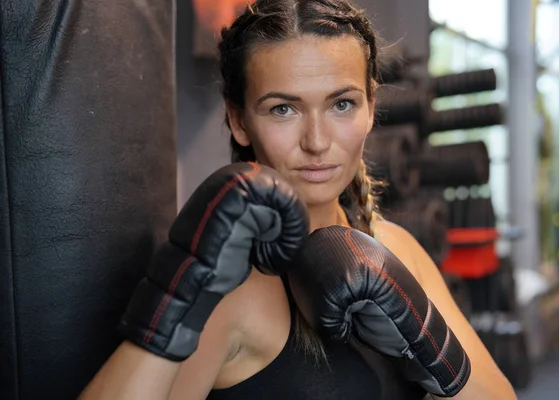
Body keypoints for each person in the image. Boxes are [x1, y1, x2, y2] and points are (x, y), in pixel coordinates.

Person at [79, 0, 517, 399]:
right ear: (238, 120)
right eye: (283, 109)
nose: (317, 141)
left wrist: (430, 355)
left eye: (342, 104)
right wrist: (177, 303)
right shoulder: (235, 292)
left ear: (370, 106)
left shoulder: (395, 248)